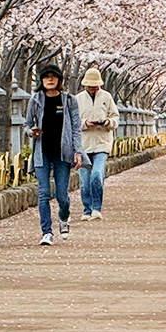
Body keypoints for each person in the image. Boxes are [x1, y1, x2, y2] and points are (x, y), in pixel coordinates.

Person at [25, 63, 82, 246]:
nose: (50, 79)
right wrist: (31, 132)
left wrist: (77, 152)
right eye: (46, 77)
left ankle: (64, 217)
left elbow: (75, 129)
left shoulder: (68, 101)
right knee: (43, 193)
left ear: (59, 80)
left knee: (61, 195)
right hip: (42, 153)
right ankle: (46, 232)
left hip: (62, 154)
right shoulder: (35, 100)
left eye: (53, 76)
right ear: (41, 80)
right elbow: (27, 124)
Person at [74, 67, 120, 221]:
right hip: (83, 144)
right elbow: (72, 122)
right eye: (90, 85)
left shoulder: (106, 97)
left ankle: (96, 208)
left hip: (102, 143)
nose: (93, 88)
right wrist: (85, 123)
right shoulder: (77, 99)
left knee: (96, 175)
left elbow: (115, 117)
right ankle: (86, 210)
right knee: (84, 180)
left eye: (95, 85)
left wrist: (108, 122)